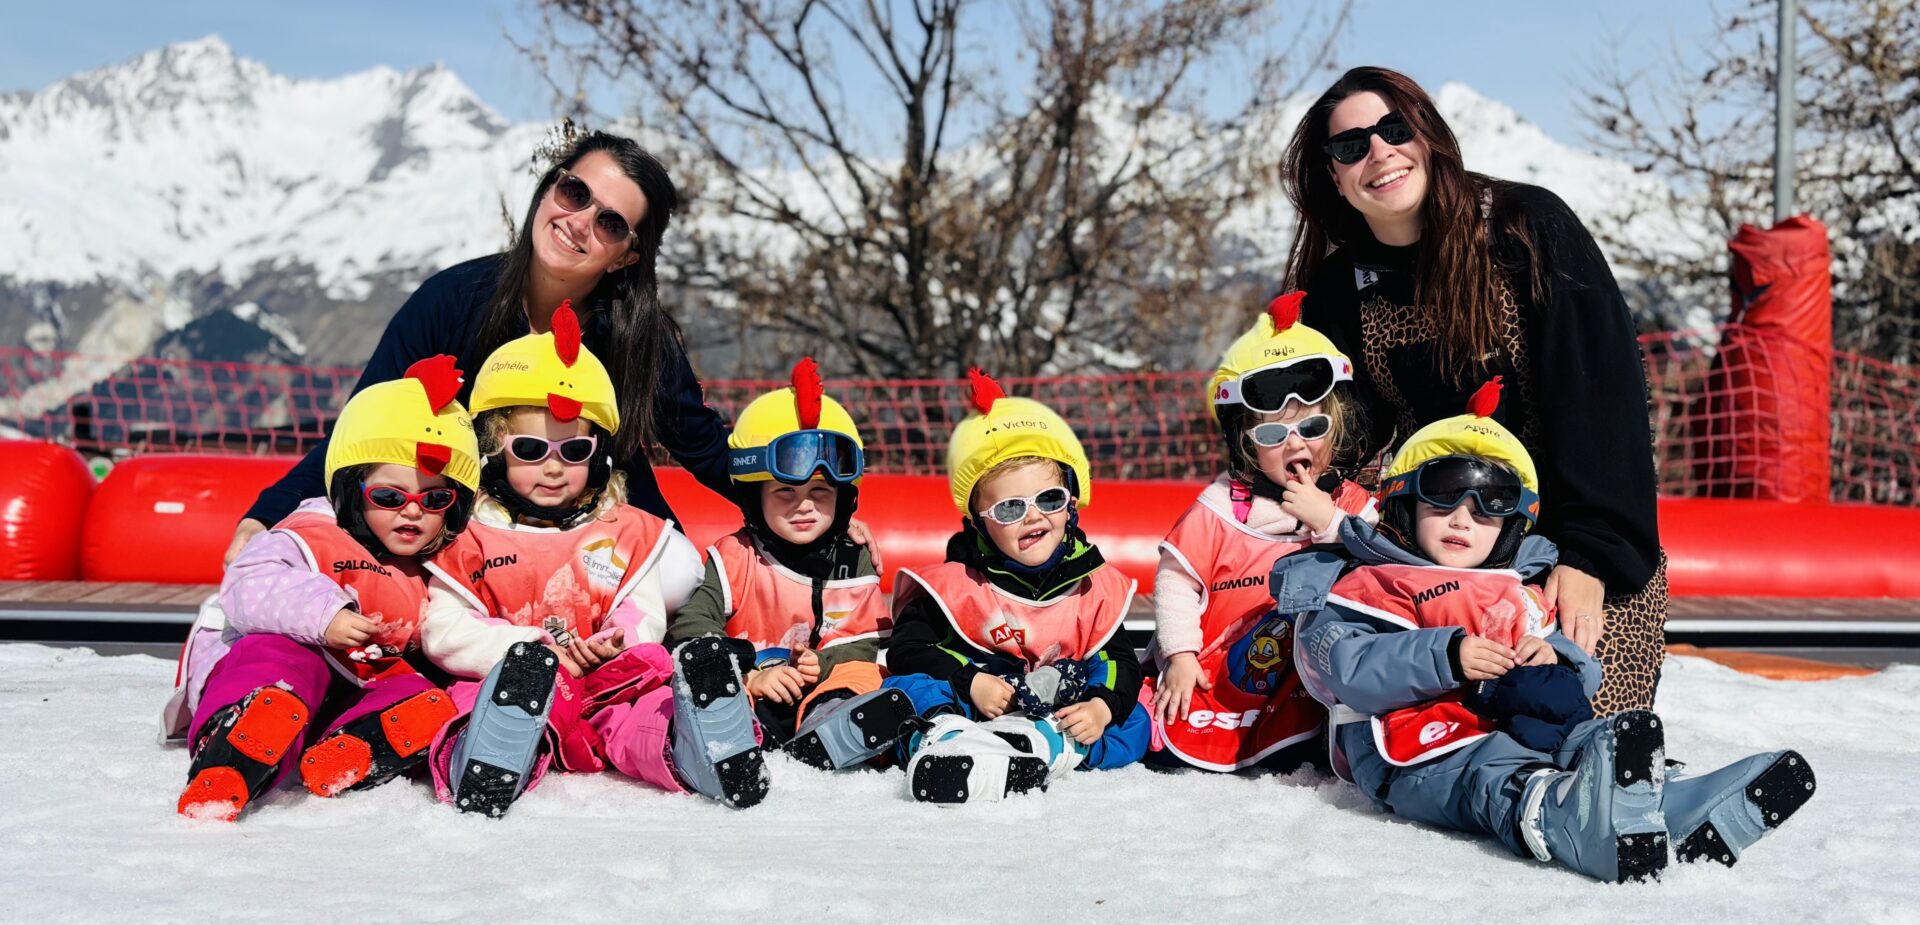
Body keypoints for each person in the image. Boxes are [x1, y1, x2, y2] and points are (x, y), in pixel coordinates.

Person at [1284, 380, 1815, 882]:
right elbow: (1340, 667)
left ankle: (1666, 804)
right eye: (1443, 494)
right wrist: (1445, 656)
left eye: (1490, 506)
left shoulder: (1517, 588)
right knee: (1495, 774)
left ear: (1514, 524)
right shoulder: (1366, 579)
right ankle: (1566, 820)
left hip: (1515, 726)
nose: (1462, 519)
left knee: (1585, 738)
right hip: (1421, 751)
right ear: (1404, 500)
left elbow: (1580, 671)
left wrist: (1553, 658)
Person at [1282, 66, 1666, 712]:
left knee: (1566, 722)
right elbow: (1335, 436)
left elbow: (1605, 403)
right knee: (1425, 738)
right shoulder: (1341, 288)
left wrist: (1593, 556)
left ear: (1427, 134)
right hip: (1430, 551)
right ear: (1336, 178)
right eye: (1351, 147)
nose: (1378, 152)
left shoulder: (1526, 232)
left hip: (1563, 549)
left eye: (1393, 129)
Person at [224, 131, 725, 564]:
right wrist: (269, 513)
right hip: (469, 526)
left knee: (678, 583)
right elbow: (366, 427)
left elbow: (705, 450)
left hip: (601, 522)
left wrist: (794, 494)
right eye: (574, 192)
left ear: (626, 256)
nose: (578, 221)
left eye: (610, 223)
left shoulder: (639, 337)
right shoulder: (454, 301)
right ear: (550, 187)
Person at [417, 303, 764, 816]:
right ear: (493, 450)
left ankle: (693, 747)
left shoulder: (618, 528)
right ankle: (482, 758)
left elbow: (640, 607)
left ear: (598, 455)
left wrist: (613, 643)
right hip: (511, 680)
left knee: (645, 706)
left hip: (606, 683)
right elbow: (444, 630)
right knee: (473, 702)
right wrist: (528, 651)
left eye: (574, 451)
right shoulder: (470, 536)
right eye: (531, 449)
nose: (554, 468)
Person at [172, 357, 480, 820]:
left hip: (360, 679)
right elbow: (248, 585)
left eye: (434, 499)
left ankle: (354, 748)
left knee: (419, 697)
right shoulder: (313, 531)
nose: (412, 512)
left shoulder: (439, 560)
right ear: (354, 490)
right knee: (282, 660)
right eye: (390, 497)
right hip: (280, 662)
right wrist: (325, 617)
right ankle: (233, 754)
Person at [883, 370, 1150, 803]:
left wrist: (1101, 707)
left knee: (1135, 719)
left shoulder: (1094, 588)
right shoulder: (958, 583)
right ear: (978, 525)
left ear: (1070, 505)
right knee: (905, 686)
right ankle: (939, 740)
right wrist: (970, 682)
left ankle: (1042, 747)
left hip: (1057, 708)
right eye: (1009, 508)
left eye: (1049, 500)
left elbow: (1119, 661)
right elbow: (909, 648)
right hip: (975, 703)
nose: (1033, 517)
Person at [1149, 291, 1377, 772]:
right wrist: (1180, 654)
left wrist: (1329, 523)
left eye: (1313, 427)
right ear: (1247, 446)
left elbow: (1384, 569)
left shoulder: (1352, 505)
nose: (1297, 444)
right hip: (1218, 674)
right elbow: (1175, 581)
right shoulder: (1218, 510)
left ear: (1335, 428)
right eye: (1273, 436)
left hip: (1305, 688)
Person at [665, 358, 915, 771]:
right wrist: (750, 673)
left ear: (844, 498)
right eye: (784, 491)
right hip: (750, 688)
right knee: (702, 668)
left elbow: (863, 640)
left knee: (864, 675)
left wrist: (822, 665)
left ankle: (833, 726)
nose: (804, 506)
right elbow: (693, 624)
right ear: (753, 497)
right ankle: (727, 735)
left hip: (817, 688)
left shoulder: (852, 561)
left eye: (821, 491)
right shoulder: (733, 557)